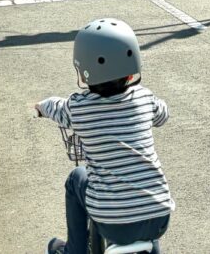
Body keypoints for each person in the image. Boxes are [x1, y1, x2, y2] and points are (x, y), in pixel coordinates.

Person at [36, 18, 172, 254]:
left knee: (78, 177)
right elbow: (162, 115)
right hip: (160, 217)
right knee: (144, 197)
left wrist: (40, 106)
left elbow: (56, 107)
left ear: (84, 70)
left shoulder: (79, 107)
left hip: (113, 224)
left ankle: (74, 251)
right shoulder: (144, 97)